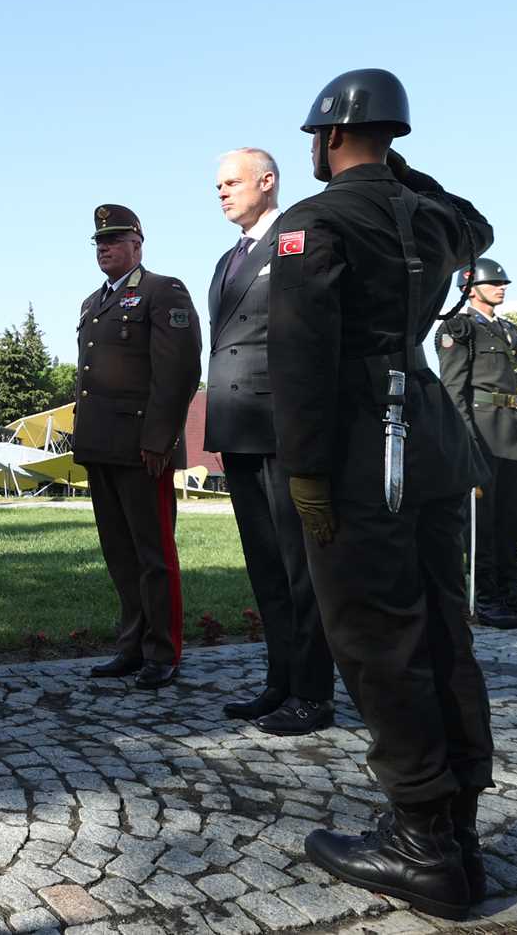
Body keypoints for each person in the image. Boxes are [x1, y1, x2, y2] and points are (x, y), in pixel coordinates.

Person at [267, 68, 496, 921]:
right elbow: (478, 222)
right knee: (443, 632)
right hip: (431, 440)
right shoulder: (431, 216)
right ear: (392, 140)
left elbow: (300, 359)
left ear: (327, 137)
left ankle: (422, 844)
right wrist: (399, 172)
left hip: (362, 449)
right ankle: (456, 828)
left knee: (377, 641)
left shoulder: (312, 222)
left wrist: (305, 473)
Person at [205, 150, 335, 735]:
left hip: (282, 425)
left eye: (232, 182)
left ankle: (312, 693)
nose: (222, 192)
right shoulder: (227, 260)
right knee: (265, 565)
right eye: (217, 185)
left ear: (267, 181)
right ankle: (280, 680)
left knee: (298, 567)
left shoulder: (295, 239)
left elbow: (308, 332)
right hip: (239, 427)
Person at [71, 205, 201, 692]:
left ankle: (163, 651)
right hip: (101, 447)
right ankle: (132, 645)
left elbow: (179, 370)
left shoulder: (163, 291)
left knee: (154, 554)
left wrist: (159, 440)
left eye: (114, 239)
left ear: (137, 244)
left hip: (142, 448)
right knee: (120, 554)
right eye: (99, 242)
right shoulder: (92, 302)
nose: (104, 247)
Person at [438, 259, 517, 629]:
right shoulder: (458, 328)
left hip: (514, 436)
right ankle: (487, 600)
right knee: (483, 523)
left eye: (503, 283)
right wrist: (466, 441)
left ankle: (511, 595)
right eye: (494, 282)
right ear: (469, 288)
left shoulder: (508, 330)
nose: (501, 287)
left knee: (511, 521)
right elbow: (454, 390)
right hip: (483, 437)